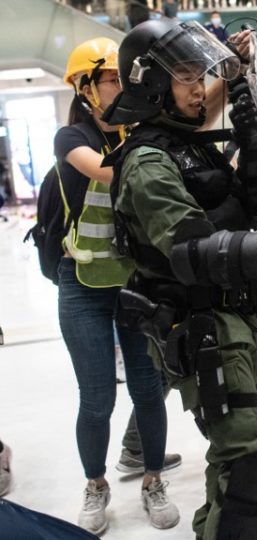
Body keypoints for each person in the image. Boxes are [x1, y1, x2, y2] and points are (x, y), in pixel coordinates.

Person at [103, 19, 257, 539]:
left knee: (241, 451)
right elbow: (192, 250)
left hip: (229, 318)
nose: (200, 87)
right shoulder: (147, 161)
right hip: (198, 322)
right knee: (251, 457)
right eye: (184, 76)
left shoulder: (189, 146)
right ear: (150, 83)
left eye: (200, 74)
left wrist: (253, 144)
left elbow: (243, 210)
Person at [55, 37, 179, 535]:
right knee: (98, 398)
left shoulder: (138, 131)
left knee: (149, 390)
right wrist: (157, 146)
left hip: (133, 280)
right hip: (82, 283)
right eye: (111, 78)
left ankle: (152, 480)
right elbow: (109, 172)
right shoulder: (72, 138)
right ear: (86, 88)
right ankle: (95, 485)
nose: (122, 85)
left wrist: (225, 80)